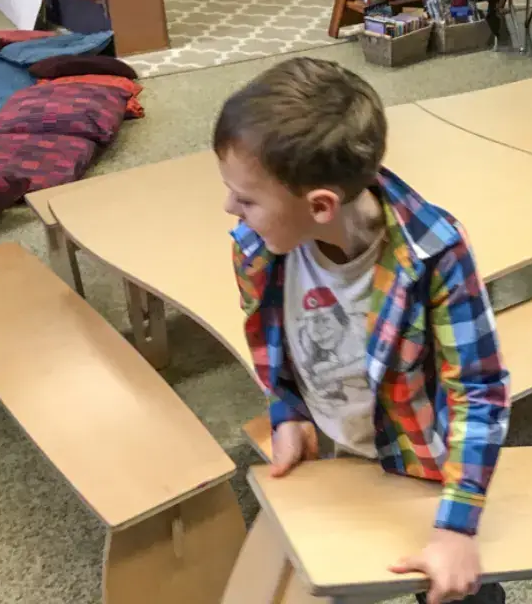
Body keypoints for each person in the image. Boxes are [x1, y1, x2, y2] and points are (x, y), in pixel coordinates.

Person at [214, 58, 510, 604]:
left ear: (320, 206)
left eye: (247, 197)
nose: (231, 207)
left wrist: (456, 526)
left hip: (424, 460)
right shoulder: (257, 246)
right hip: (342, 448)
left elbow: (479, 389)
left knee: (456, 586)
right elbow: (270, 340)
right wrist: (288, 412)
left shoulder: (436, 251)